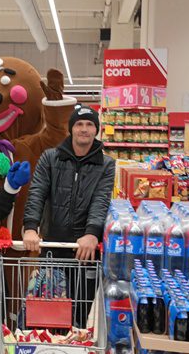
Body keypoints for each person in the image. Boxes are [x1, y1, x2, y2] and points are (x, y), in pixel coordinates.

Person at [22, 104, 115, 328]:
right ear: (71, 129)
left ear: (96, 130)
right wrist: (31, 227)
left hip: (85, 252)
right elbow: (37, 192)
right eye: (79, 124)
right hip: (52, 245)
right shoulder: (50, 158)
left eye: (90, 124)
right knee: (48, 312)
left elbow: (101, 200)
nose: (84, 129)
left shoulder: (106, 165)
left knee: (79, 316)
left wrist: (92, 233)